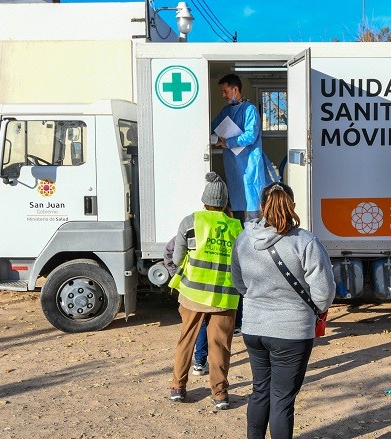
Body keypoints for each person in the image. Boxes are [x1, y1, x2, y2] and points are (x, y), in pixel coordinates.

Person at [231, 182, 336, 439]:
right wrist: (314, 311)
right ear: (292, 206)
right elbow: (324, 290)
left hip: (254, 327)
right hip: (292, 332)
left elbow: (238, 281)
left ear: (262, 206)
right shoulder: (306, 241)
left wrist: (258, 301)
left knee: (260, 391)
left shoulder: (244, 239)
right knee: (282, 399)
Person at [167, 172, 242, 410]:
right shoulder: (237, 227)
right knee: (220, 345)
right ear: (225, 202)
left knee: (186, 340)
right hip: (225, 296)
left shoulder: (190, 222)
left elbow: (178, 258)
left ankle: (178, 388)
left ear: (205, 199)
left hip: (192, 294)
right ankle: (220, 395)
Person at [211, 73, 268, 223]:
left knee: (252, 209)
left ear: (235, 89)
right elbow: (213, 127)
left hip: (249, 166)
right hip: (234, 168)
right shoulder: (226, 111)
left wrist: (228, 142)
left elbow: (251, 136)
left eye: (225, 91)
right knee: (237, 212)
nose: (223, 95)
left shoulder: (250, 110)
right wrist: (215, 138)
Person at [165, 237, 209, 376]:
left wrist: (176, 275)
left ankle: (197, 365)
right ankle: (200, 362)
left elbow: (170, 252)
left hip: (190, 289)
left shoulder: (190, 227)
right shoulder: (218, 227)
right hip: (212, 288)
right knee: (206, 327)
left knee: (192, 329)